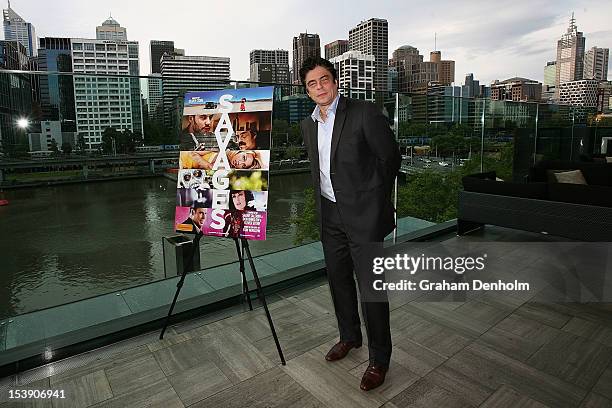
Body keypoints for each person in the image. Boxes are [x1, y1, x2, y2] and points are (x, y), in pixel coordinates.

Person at [299, 57, 401, 391]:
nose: (319, 87)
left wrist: (373, 203)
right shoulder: (308, 124)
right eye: (312, 83)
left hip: (364, 216)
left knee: (371, 289)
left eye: (324, 79)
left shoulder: (364, 113)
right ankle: (349, 337)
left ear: (335, 80)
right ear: (306, 89)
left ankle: (379, 359)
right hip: (330, 215)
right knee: (339, 280)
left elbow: (390, 158)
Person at [180, 150, 263, 170]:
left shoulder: (227, 169)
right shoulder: (221, 150)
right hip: (182, 159)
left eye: (243, 165)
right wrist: (208, 165)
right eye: (243, 157)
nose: (239, 162)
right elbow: (193, 153)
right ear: (240, 152)